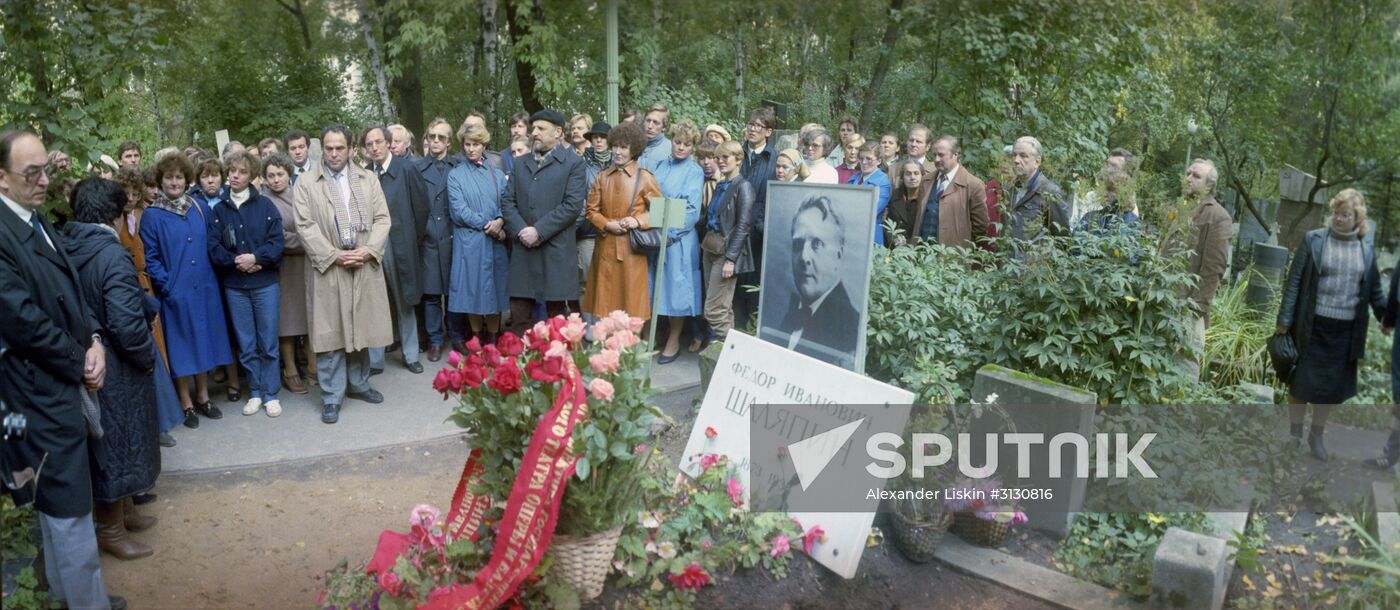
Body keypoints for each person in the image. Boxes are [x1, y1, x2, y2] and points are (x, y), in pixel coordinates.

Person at [0, 129, 130, 610]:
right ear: (1, 178)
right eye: (30, 173)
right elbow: (21, 321)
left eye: (46, 170)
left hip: (60, 382)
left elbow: (72, 293)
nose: (42, 181)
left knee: (62, 505)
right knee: (67, 507)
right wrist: (79, 362)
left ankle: (72, 599)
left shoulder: (34, 220)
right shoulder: (4, 232)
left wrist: (93, 339)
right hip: (36, 394)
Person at [63, 178, 164, 560]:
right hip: (116, 363)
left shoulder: (68, 245)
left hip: (88, 355)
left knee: (109, 440)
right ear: (115, 214)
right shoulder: (111, 254)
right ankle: (111, 528)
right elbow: (125, 322)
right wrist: (146, 356)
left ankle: (124, 511)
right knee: (118, 442)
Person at [292, 125, 393, 424]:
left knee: (361, 326)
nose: (334, 154)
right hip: (329, 267)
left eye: (340, 148)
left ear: (351, 149)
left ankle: (359, 383)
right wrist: (334, 255)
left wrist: (368, 250)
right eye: (329, 148)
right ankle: (332, 396)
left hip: (362, 262)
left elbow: (382, 218)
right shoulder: (306, 183)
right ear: (321, 149)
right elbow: (305, 226)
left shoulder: (367, 178)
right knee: (330, 332)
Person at [1276, 188, 1383, 461]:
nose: (1338, 219)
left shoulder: (1366, 250)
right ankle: (1295, 435)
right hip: (1311, 327)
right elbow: (1294, 283)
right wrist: (1284, 321)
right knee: (1299, 383)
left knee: (1329, 390)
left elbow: (1375, 293)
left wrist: (1387, 318)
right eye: (1335, 213)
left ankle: (1317, 436)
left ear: (1357, 218)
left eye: (1344, 215)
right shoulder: (1313, 240)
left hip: (1345, 332)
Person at [142, 153, 235, 428]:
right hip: (176, 290)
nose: (174, 182)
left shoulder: (198, 207)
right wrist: (166, 285)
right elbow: (151, 257)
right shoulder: (153, 214)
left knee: (203, 341)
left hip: (205, 287)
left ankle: (204, 397)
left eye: (179, 177)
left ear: (186, 179)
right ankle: (186, 401)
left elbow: (212, 243)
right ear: (161, 181)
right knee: (181, 345)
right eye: (169, 177)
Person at [208, 150, 285, 417]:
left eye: (241, 171)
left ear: (252, 175)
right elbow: (214, 248)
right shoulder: (219, 210)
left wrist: (256, 258)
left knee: (268, 341)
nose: (236, 176)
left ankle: (271, 393)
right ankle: (254, 391)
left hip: (265, 284)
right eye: (232, 171)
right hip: (235, 286)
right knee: (246, 342)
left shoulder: (265, 206)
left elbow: (277, 244)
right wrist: (236, 262)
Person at [500, 109, 589, 333]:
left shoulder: (574, 164)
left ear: (558, 132)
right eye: (533, 128)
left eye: (541, 128)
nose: (534, 133)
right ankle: (521, 367)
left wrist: (538, 231)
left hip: (556, 252)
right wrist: (522, 230)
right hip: (524, 251)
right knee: (520, 318)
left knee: (556, 323)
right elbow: (507, 201)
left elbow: (572, 206)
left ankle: (553, 367)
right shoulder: (521, 163)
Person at [761, 195, 860, 369]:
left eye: (817, 244)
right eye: (798, 245)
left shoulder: (851, 329)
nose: (804, 257)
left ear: (839, 254)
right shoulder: (790, 315)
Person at [360, 125, 429, 375]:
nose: (375, 147)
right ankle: (376, 359)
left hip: (400, 244)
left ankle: (411, 354)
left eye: (379, 142)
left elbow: (422, 210)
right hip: (372, 247)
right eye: (369, 144)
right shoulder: (364, 174)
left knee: (404, 301)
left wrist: (410, 238)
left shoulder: (407, 169)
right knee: (376, 302)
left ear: (389, 142)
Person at [583, 121, 660, 321]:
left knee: (631, 306)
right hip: (605, 249)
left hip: (632, 251)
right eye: (615, 146)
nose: (617, 151)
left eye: (623, 147)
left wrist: (638, 221)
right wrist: (607, 224)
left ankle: (629, 349)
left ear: (634, 149)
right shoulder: (602, 177)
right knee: (604, 306)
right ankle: (606, 349)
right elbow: (591, 211)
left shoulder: (644, 178)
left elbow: (661, 213)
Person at [447, 122, 510, 343]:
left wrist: (501, 220)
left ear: (484, 145)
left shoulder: (497, 174)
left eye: (476, 144)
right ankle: (476, 338)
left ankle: (492, 338)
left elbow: (507, 202)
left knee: (495, 291)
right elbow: (459, 211)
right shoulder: (455, 175)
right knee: (470, 292)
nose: (471, 149)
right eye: (467, 144)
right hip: (470, 243)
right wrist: (491, 226)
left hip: (495, 244)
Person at [650, 120, 705, 363]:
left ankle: (674, 339)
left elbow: (692, 210)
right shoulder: (660, 166)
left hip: (678, 239)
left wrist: (670, 234)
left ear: (693, 147)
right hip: (656, 234)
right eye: (678, 142)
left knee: (676, 289)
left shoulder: (694, 171)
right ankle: (652, 335)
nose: (681, 147)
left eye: (687, 144)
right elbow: (651, 198)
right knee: (656, 287)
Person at [262, 153, 316, 394]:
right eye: (270, 175)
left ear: (289, 174)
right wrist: (309, 240)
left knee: (310, 316)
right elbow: (276, 238)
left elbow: (315, 223)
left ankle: (313, 366)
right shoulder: (264, 201)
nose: (275, 180)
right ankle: (290, 370)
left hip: (307, 264)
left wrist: (310, 238)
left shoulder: (301, 194)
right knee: (287, 321)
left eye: (280, 174)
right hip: (282, 267)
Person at [1174, 158, 1232, 381]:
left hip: (1189, 310)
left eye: (1196, 176)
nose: (1188, 178)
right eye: (1188, 173)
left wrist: (1194, 309)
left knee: (1184, 370)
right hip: (1165, 302)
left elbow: (1214, 268)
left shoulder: (1218, 216)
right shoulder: (1179, 208)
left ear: (1209, 185)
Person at [417, 117, 465, 359]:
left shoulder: (458, 167)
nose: (436, 141)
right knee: (432, 293)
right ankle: (435, 339)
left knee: (455, 289)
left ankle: (456, 335)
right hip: (427, 238)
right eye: (432, 136)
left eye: (441, 137)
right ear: (427, 139)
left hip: (454, 235)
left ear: (448, 142)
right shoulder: (416, 168)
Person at [701, 140, 756, 340]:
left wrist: (731, 259)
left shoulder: (744, 187)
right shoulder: (721, 184)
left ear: (738, 159)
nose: (720, 161)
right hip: (710, 248)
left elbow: (743, 225)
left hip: (725, 253)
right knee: (723, 308)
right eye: (718, 157)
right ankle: (729, 356)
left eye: (726, 157)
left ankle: (735, 350)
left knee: (713, 311)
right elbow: (711, 217)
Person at [739, 107, 779, 328]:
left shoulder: (774, 159)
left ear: (769, 131)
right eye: (750, 124)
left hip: (758, 232)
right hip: (733, 228)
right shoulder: (737, 153)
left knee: (754, 285)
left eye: (758, 126)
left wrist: (760, 223)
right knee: (732, 286)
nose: (752, 129)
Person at [915, 136, 988, 249]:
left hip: (952, 258)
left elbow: (980, 227)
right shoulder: (926, 181)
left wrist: (963, 248)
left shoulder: (973, 185)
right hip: (920, 252)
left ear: (955, 155)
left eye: (941, 155)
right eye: (934, 155)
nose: (936, 159)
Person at [1005, 136, 1069, 240]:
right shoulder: (1009, 189)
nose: (1016, 160)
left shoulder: (1050, 192)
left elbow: (1062, 239)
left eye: (1023, 156)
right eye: (1014, 155)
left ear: (1037, 162)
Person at [578, 121, 612, 295]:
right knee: (587, 282)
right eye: (595, 137)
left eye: (603, 137)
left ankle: (610, 323)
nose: (599, 140)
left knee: (610, 283)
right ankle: (588, 323)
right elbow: (578, 199)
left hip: (613, 232)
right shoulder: (581, 165)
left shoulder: (619, 164)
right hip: (588, 231)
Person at [1075, 148, 1140, 233]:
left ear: (1125, 172)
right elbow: (1075, 227)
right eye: (1106, 164)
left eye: (1114, 166)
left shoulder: (1130, 209)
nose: (1106, 169)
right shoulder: (1090, 197)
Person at [846, 142, 892, 246]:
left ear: (879, 161)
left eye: (869, 159)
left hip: (870, 235)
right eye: (861, 158)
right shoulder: (853, 179)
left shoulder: (883, 182)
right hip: (850, 233)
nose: (864, 162)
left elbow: (872, 211)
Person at [884, 160, 927, 248]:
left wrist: (909, 243)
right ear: (902, 177)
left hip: (919, 249)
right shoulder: (895, 195)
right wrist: (894, 239)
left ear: (922, 176)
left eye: (916, 173)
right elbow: (887, 223)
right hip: (896, 248)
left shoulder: (927, 198)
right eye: (908, 174)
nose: (912, 177)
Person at [639, 103, 674, 171]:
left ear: (664, 127)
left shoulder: (671, 150)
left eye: (655, 122)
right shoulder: (633, 145)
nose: (650, 126)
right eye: (648, 121)